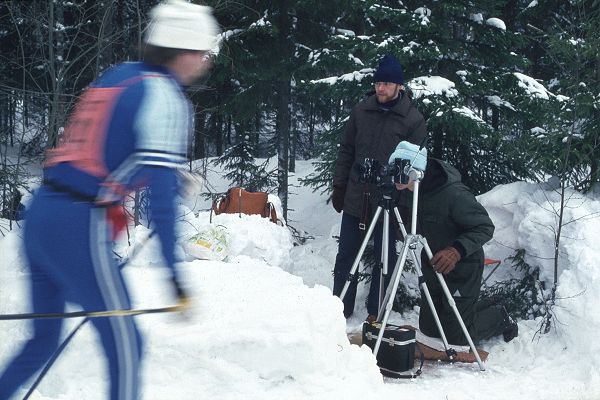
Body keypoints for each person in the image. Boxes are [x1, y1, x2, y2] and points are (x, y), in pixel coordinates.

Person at [0, 1, 220, 399]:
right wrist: (175, 276)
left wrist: (165, 175)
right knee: (126, 343)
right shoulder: (167, 97)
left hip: (42, 214)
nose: (205, 62)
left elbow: (104, 149)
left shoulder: (120, 75)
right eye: (202, 52)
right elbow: (162, 208)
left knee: (43, 340)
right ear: (181, 50)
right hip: (77, 226)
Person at [330, 54, 427, 322]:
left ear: (399, 86)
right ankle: (338, 309)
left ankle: (377, 312)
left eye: (386, 83)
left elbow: (414, 167)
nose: (380, 88)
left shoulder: (413, 119)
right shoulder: (362, 110)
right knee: (346, 255)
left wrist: (405, 204)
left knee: (386, 259)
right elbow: (346, 150)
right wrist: (339, 184)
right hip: (356, 195)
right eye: (377, 83)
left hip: (389, 201)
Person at [390, 143, 518, 344]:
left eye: (397, 169)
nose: (394, 176)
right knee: (430, 329)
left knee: (457, 336)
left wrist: (456, 250)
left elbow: (485, 227)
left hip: (462, 265)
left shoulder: (453, 194)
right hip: (433, 263)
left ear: (413, 170)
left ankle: (500, 316)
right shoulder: (410, 190)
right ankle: (474, 307)